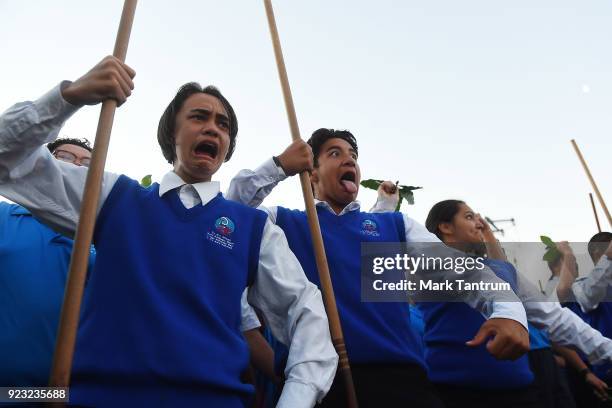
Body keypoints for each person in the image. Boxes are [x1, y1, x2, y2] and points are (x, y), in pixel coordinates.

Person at [0, 56, 338, 407]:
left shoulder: (255, 228)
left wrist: (296, 399)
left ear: (227, 147)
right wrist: (69, 96)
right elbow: (6, 160)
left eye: (223, 124)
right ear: (171, 133)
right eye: (198, 117)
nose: (213, 128)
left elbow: (305, 309)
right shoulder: (113, 197)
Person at [227, 128, 533, 407]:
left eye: (353, 156)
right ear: (312, 173)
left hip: (402, 383)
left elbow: (462, 270)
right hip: (316, 386)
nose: (349, 161)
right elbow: (230, 214)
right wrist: (278, 166)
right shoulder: (282, 222)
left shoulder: (394, 225)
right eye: (335, 154)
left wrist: (509, 312)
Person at [400, 198, 612, 408]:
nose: (478, 223)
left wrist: (607, 350)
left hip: (520, 391)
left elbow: (555, 317)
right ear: (445, 227)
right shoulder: (429, 267)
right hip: (457, 393)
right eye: (468, 217)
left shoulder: (503, 271)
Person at [0, 138, 93, 387]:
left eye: (87, 164)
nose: (76, 166)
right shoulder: (4, 217)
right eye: (65, 157)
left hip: (58, 394)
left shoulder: (100, 238)